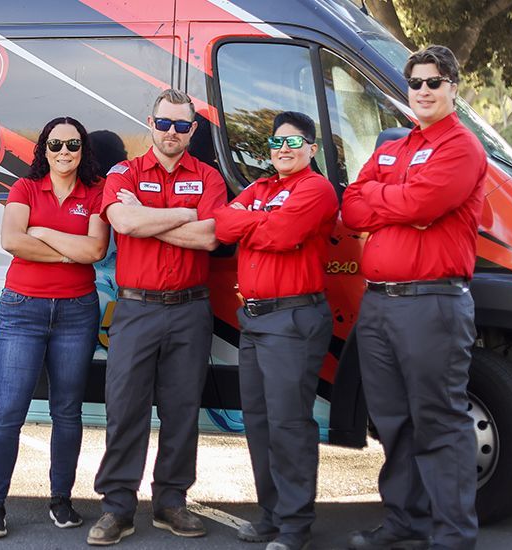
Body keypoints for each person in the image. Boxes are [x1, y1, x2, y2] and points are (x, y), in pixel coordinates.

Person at [341, 45, 487, 550]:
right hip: (379, 303)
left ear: (453, 88)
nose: (423, 90)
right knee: (393, 421)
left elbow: (426, 200)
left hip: (432, 304)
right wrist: (398, 205)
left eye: (434, 82)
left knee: (439, 422)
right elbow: (351, 208)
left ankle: (452, 536)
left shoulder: (461, 147)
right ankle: (405, 523)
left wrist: (387, 200)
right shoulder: (394, 146)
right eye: (416, 83)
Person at [87, 88, 226, 545]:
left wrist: (150, 216)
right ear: (150, 123)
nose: (171, 132)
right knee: (125, 410)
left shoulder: (209, 176)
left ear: (193, 130)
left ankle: (171, 502)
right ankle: (118, 507)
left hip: (190, 309)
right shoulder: (122, 171)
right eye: (164, 123)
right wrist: (181, 214)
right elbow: (123, 225)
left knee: (182, 410)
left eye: (181, 126)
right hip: (136, 308)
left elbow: (209, 237)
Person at [0, 117, 109, 538]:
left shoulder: (97, 191)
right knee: (8, 412)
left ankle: (61, 500)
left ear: (83, 149)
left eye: (73, 144)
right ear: (44, 150)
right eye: (56, 145)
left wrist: (45, 232)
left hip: (77, 312)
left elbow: (95, 249)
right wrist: (69, 254)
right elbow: (13, 240)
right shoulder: (25, 188)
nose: (64, 152)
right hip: (23, 309)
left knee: (67, 412)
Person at [215, 111, 339, 550]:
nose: (283, 150)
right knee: (260, 422)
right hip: (253, 317)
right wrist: (257, 222)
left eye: (293, 142)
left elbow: (285, 234)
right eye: (276, 144)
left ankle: (294, 526)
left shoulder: (316, 189)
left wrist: (253, 223)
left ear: (311, 148)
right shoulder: (260, 187)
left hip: (293, 319)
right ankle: (270, 515)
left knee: (289, 425)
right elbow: (223, 224)